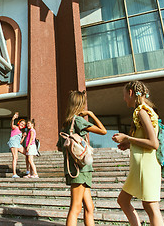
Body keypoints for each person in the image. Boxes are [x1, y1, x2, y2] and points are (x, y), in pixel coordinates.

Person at [112, 81, 164, 226]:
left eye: (124, 95)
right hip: (141, 166)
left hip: (145, 166)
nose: (124, 99)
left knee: (152, 207)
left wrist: (127, 138)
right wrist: (129, 144)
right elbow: (146, 138)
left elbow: (154, 143)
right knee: (123, 200)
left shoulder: (141, 111)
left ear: (130, 93)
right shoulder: (146, 110)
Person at [57, 90, 107, 226]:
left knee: (89, 207)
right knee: (76, 207)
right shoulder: (78, 120)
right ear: (81, 104)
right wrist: (90, 114)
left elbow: (59, 146)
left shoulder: (66, 124)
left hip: (78, 169)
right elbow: (103, 131)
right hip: (80, 170)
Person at [7, 112, 27, 178]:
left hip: (18, 144)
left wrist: (23, 137)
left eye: (23, 124)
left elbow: (20, 142)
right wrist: (13, 118)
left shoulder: (20, 132)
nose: (22, 125)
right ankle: (14, 174)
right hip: (13, 142)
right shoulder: (15, 127)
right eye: (21, 123)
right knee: (15, 157)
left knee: (27, 153)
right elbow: (11, 124)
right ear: (19, 123)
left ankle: (28, 170)